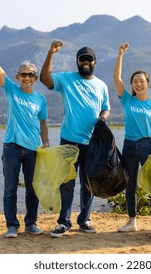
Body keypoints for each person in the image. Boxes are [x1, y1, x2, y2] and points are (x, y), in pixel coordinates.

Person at [0, 21, 49, 238]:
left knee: (33, 189)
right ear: (18, 77)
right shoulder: (11, 89)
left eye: (31, 75)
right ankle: (12, 226)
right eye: (23, 74)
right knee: (10, 189)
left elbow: (43, 123)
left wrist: (45, 143)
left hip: (33, 149)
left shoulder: (40, 99)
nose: (27, 78)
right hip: (11, 147)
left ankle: (31, 223)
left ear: (35, 79)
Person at [40, 40, 110, 238]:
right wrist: (50, 53)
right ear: (77, 62)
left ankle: (84, 220)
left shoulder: (101, 85)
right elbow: (45, 80)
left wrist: (102, 118)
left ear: (95, 62)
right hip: (69, 141)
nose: (86, 62)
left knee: (88, 183)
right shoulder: (66, 79)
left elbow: (105, 108)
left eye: (89, 59)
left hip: (92, 142)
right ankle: (63, 222)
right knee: (66, 183)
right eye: (82, 59)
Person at [113, 43, 151, 232]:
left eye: (142, 81)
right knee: (130, 184)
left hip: (148, 146)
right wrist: (120, 55)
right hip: (129, 146)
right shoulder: (128, 100)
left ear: (147, 83)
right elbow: (116, 78)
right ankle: (132, 221)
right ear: (132, 85)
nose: (138, 84)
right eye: (135, 81)